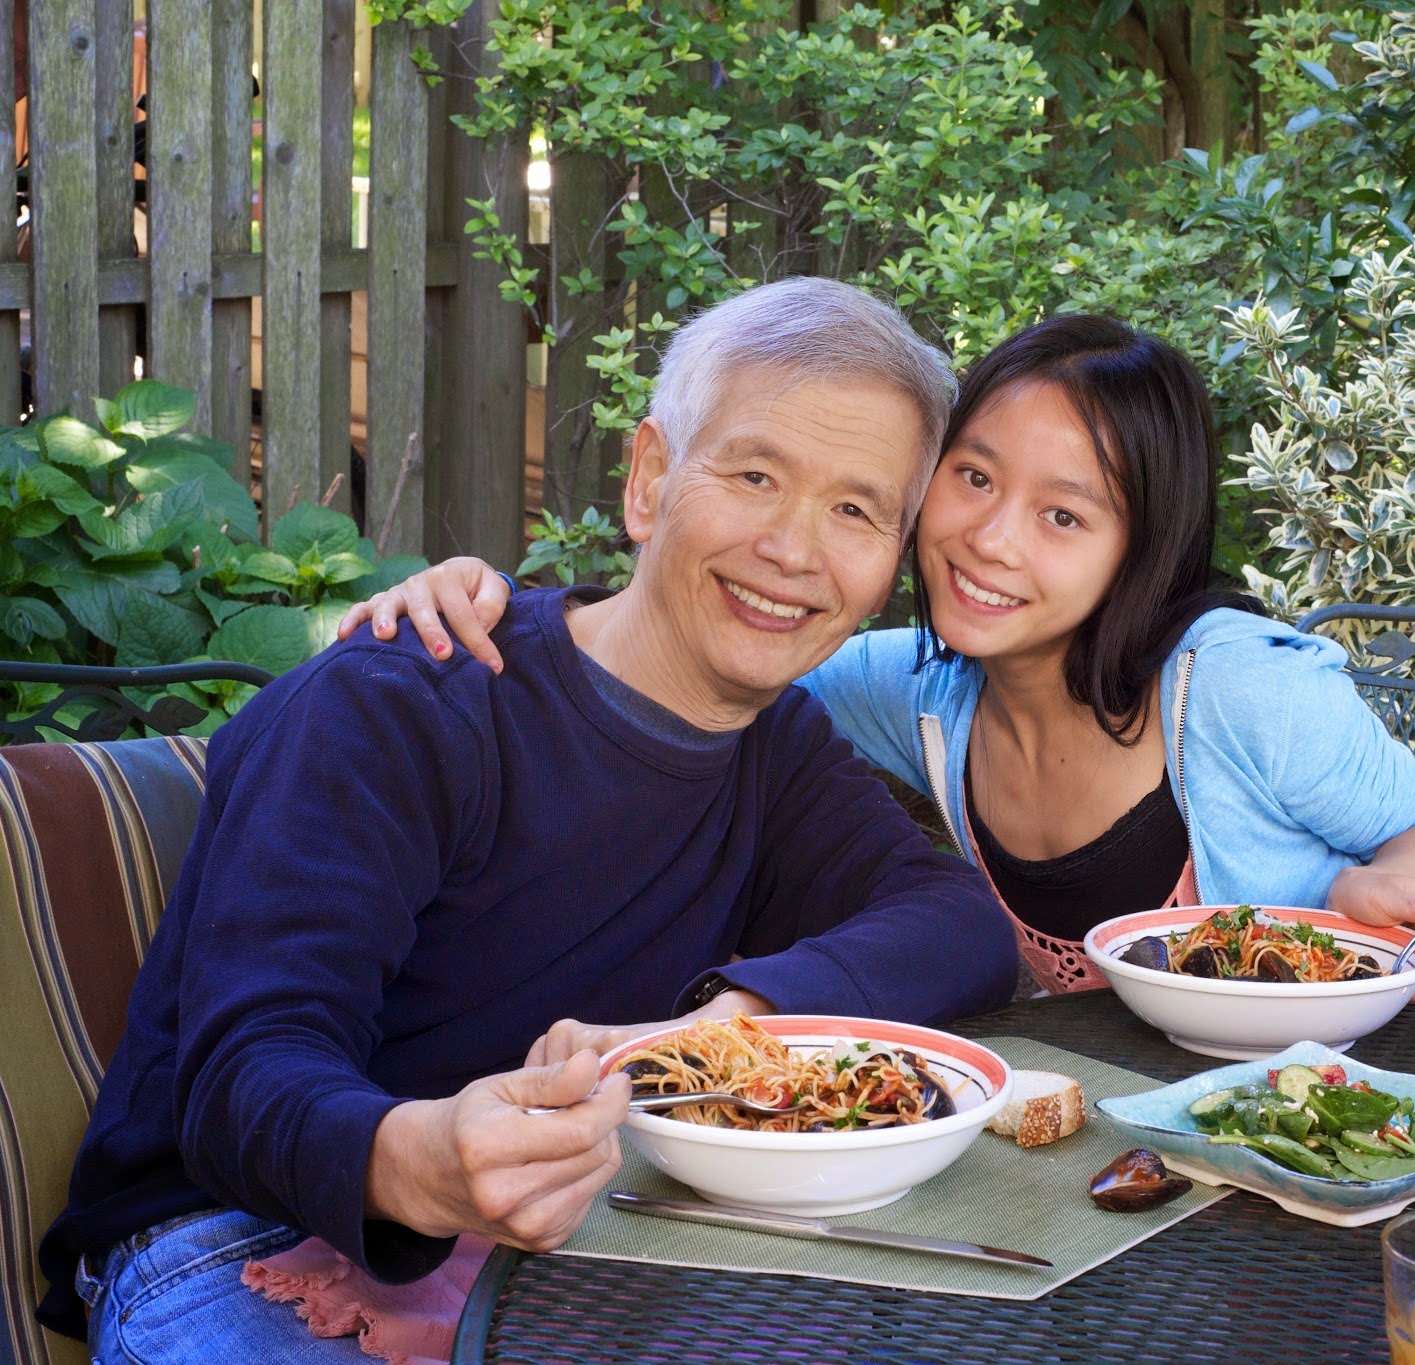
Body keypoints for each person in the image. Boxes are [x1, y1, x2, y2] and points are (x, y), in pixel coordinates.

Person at [36, 278, 1018, 1361]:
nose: (794, 546)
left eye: (854, 510)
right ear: (650, 480)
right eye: (753, 475)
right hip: (230, 1238)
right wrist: (416, 1159)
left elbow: (957, 926)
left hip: (577, 1240)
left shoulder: (773, 751)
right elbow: (241, 1072)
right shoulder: (406, 698)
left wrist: (724, 1027)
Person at [339, 315, 1415, 998]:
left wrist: (1358, 907)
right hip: (1105, 1145)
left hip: (1328, 1098)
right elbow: (698, 647)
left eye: (1063, 516)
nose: (989, 539)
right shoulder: (920, 690)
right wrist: (490, 602)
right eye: (975, 477)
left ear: (1139, 550)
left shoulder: (1234, 685)